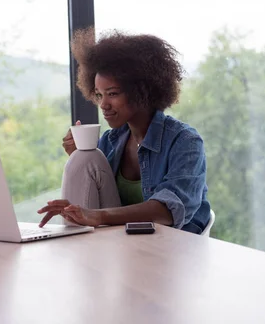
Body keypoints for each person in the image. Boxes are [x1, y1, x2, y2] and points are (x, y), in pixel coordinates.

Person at [37, 28, 211, 234]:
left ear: (141, 91)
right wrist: (74, 205)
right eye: (99, 95)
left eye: (112, 93)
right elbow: (95, 200)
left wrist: (97, 215)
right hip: (120, 245)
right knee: (84, 158)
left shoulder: (185, 141)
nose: (103, 105)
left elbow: (169, 211)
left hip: (172, 247)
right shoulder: (110, 141)